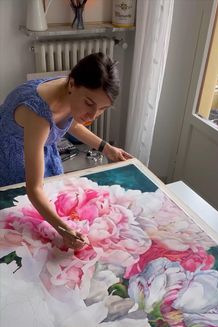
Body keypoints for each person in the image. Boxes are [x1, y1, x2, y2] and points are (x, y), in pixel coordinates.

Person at [0, 52, 132, 249]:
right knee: (20, 227)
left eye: (102, 108)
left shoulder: (70, 91)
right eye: (89, 104)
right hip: (12, 158)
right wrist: (65, 231)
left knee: (54, 199)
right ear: (72, 84)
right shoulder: (38, 115)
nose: (93, 115)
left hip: (39, 146)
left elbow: (72, 123)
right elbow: (33, 189)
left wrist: (107, 148)